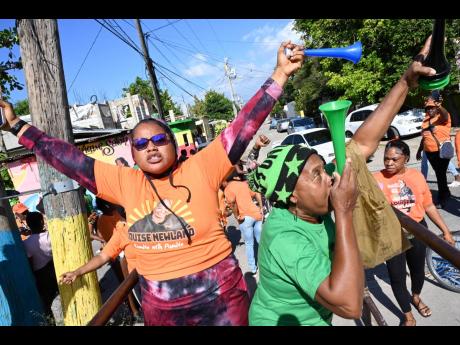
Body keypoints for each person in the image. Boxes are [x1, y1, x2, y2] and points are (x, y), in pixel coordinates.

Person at [1, 40, 305, 326]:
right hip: (162, 308)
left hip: (221, 298)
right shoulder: (123, 181)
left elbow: (243, 126)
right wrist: (16, 125)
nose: (151, 147)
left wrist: (279, 74)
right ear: (133, 152)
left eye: (159, 139)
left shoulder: (201, 167)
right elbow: (67, 158)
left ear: (172, 143)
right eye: (141, 143)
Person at [247, 35, 437, 326]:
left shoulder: (310, 206)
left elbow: (362, 144)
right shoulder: (286, 239)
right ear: (292, 196)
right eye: (316, 175)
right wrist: (344, 211)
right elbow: (349, 306)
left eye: (323, 169)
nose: (328, 178)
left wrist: (405, 81)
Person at [373, 139, 455, 326]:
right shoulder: (376, 179)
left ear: (406, 159)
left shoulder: (417, 177)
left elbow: (428, 206)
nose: (389, 163)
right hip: (392, 236)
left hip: (418, 231)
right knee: (397, 277)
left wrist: (446, 231)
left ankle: (416, 297)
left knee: (418, 272)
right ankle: (408, 315)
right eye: (386, 159)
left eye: (395, 159)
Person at [416, 91, 452, 208]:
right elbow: (424, 136)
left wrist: (439, 106)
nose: (430, 110)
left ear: (436, 109)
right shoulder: (426, 120)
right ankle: (445, 192)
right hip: (429, 153)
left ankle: (443, 197)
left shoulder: (442, 118)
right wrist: (419, 150)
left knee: (440, 174)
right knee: (439, 173)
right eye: (428, 109)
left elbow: (445, 115)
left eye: (432, 108)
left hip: (441, 151)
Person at [23, 211, 59, 324]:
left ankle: (52, 322)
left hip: (41, 275)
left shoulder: (26, 243)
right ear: (42, 222)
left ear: (28, 224)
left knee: (47, 302)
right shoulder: (51, 235)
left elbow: (30, 262)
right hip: (55, 268)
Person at [224, 174, 264, 275]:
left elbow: (232, 204)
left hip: (245, 218)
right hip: (256, 214)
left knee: (249, 244)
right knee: (261, 242)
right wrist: (261, 207)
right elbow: (256, 193)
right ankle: (267, 265)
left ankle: (253, 269)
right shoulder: (243, 184)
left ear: (225, 181)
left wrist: (237, 217)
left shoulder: (228, 189)